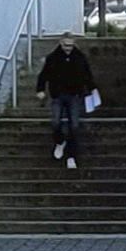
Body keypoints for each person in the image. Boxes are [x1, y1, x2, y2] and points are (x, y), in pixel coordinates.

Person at [34, 36, 95, 170]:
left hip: (74, 95)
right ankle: (60, 141)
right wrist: (40, 89)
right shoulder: (53, 58)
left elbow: (87, 74)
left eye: (71, 46)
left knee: (74, 125)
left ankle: (71, 156)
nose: (68, 48)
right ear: (61, 44)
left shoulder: (79, 58)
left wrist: (92, 89)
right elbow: (44, 74)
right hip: (57, 95)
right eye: (66, 45)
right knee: (55, 122)